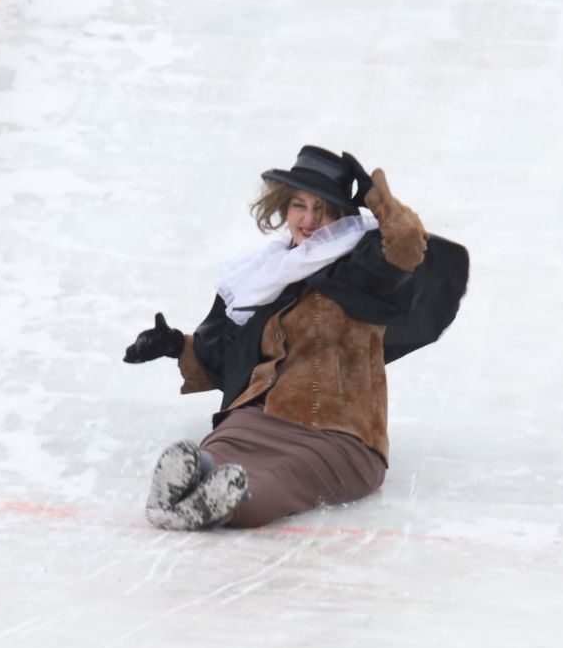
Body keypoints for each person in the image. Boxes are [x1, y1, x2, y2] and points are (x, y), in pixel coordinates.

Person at [122, 147, 467, 530]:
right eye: (299, 206)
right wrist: (174, 345)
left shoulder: (363, 266)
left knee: (280, 477)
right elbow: (228, 357)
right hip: (258, 418)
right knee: (219, 448)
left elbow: (406, 247)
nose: (309, 219)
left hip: (338, 434)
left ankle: (227, 502)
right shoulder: (264, 275)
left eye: (323, 209)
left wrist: (381, 202)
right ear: (283, 209)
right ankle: (183, 491)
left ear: (340, 215)